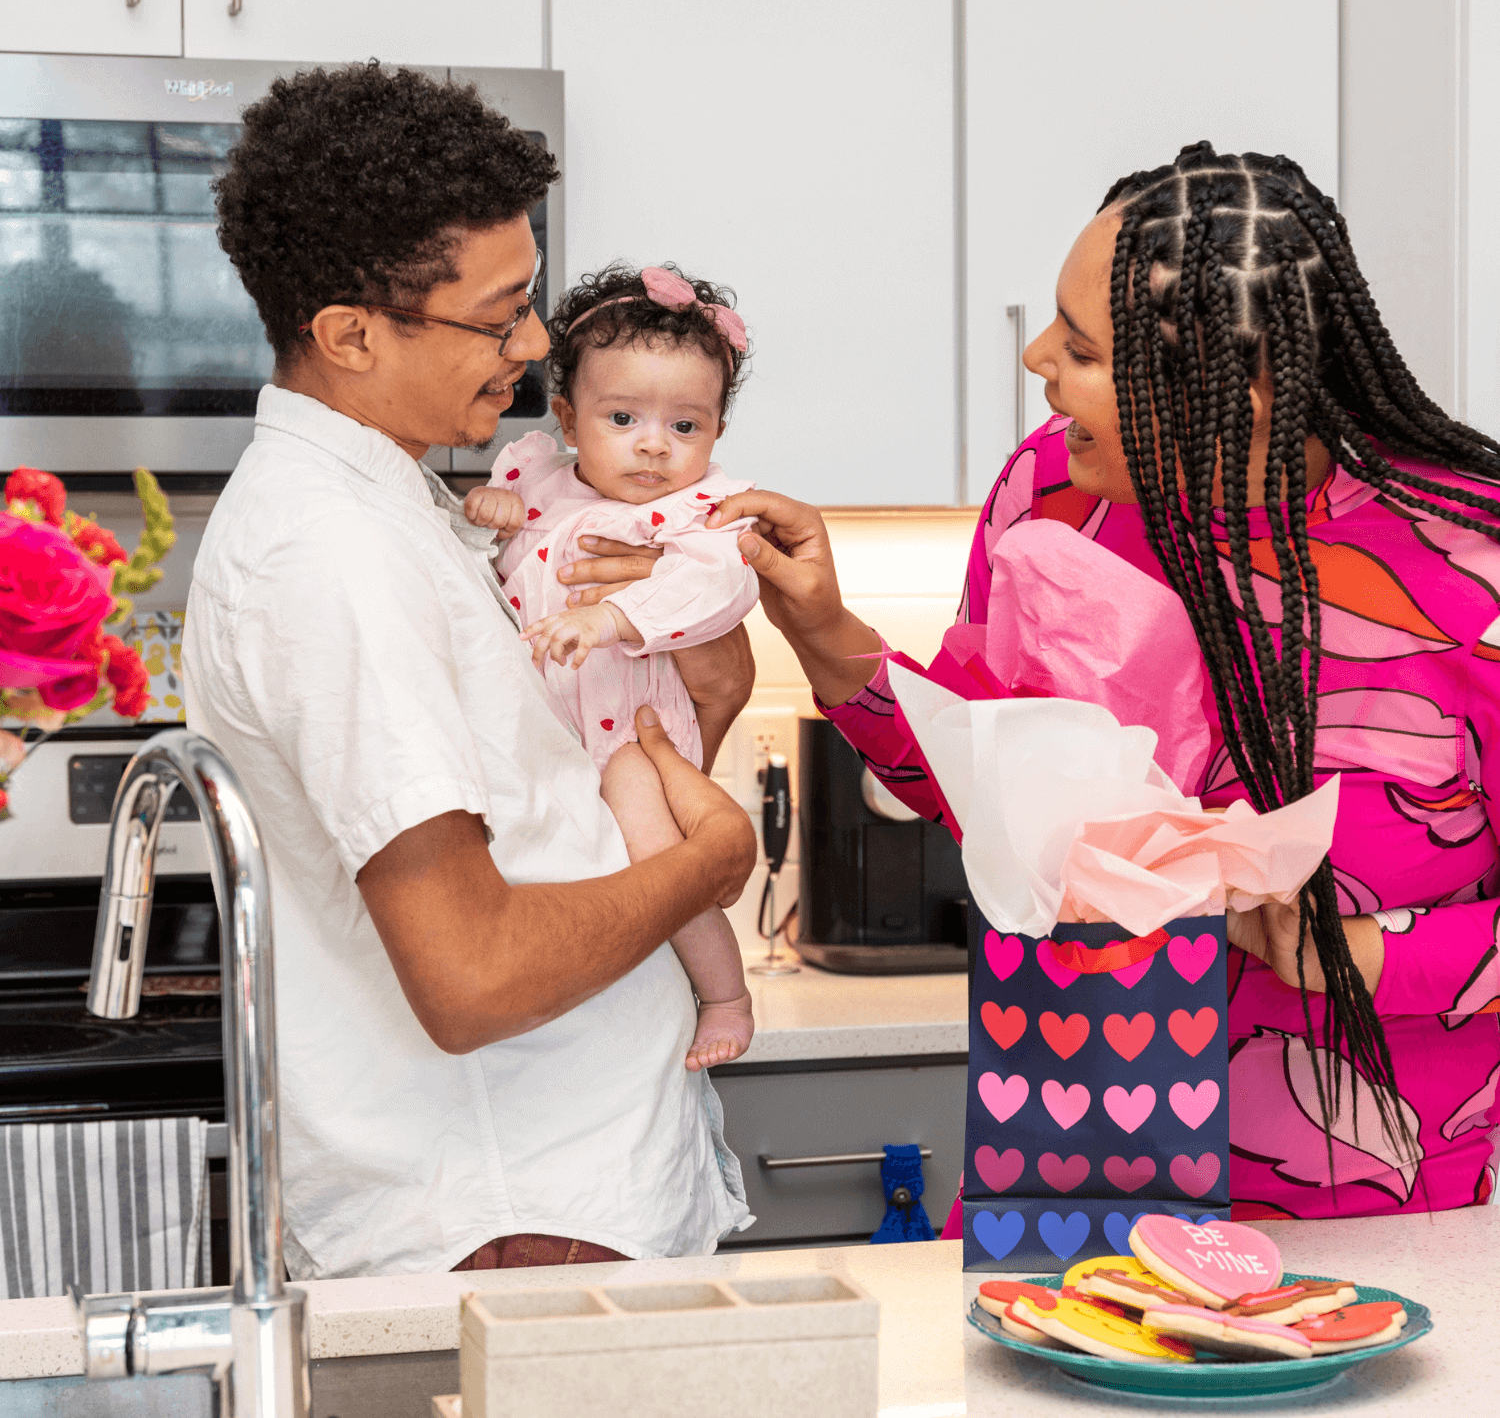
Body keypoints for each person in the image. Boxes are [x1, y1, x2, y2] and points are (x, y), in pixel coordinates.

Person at [591, 141, 1497, 1220]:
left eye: (1085, 347)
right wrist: (825, 630)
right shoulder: (1054, 494)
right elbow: (977, 792)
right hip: (1077, 1159)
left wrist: (1364, 955)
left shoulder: (1471, 567)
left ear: (1236, 383)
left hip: (1398, 1208)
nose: (1039, 365)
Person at [183, 63, 758, 1279]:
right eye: (500, 317)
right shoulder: (332, 556)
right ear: (348, 334)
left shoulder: (399, 511)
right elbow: (473, 974)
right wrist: (707, 865)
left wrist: (705, 686)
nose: (538, 346)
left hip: (551, 1191)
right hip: (509, 1216)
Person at [464, 262, 759, 1069]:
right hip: (550, 750)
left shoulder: (699, 513)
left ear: (717, 434)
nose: (655, 446)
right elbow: (499, 548)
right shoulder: (536, 481)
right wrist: (490, 514)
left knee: (659, 858)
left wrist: (613, 615)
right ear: (568, 415)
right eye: (623, 417)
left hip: (634, 739)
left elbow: (721, 585)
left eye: (686, 427)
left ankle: (726, 996)